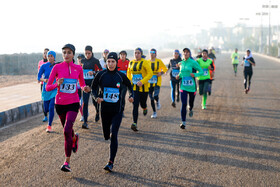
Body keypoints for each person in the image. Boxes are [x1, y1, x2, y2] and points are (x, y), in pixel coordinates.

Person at [46, 44, 90, 172]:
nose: (66, 55)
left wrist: (84, 88)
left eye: (69, 52)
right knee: (68, 131)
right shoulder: (57, 67)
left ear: (73, 54)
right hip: (60, 104)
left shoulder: (78, 68)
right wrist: (56, 84)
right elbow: (48, 87)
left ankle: (67, 162)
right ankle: (74, 138)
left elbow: (82, 84)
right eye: (64, 52)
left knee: (66, 130)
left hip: (73, 103)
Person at [91, 52, 134, 172]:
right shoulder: (101, 74)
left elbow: (130, 86)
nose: (110, 64)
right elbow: (93, 89)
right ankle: (107, 136)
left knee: (113, 134)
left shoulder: (120, 76)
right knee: (106, 136)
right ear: (106, 62)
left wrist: (131, 95)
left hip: (117, 110)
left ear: (116, 63)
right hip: (104, 110)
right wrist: (96, 98)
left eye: (113, 62)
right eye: (108, 61)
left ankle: (111, 162)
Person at [176, 48, 203, 129]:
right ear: (183, 54)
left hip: (191, 87)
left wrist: (194, 75)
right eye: (184, 52)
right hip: (183, 86)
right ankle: (183, 122)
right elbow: (181, 73)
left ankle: (190, 108)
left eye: (187, 52)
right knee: (183, 104)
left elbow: (201, 71)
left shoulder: (193, 62)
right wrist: (178, 76)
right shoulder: (181, 63)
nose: (185, 53)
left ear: (190, 54)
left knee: (191, 103)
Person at [127, 48, 153, 131]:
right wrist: (130, 80)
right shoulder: (131, 62)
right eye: (135, 53)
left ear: (141, 54)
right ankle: (134, 123)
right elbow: (129, 73)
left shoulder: (144, 62)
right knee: (135, 105)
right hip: (134, 88)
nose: (136, 54)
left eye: (138, 53)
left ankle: (145, 108)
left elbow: (150, 73)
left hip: (144, 88)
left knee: (142, 104)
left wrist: (142, 81)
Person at [81, 45, 103, 129]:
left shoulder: (95, 61)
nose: (87, 55)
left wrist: (93, 72)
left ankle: (97, 112)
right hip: (85, 85)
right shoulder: (82, 61)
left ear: (91, 52)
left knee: (95, 101)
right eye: (86, 53)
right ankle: (85, 122)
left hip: (94, 84)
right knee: (85, 103)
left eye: (89, 53)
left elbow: (101, 71)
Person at [37, 51, 57, 132]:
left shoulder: (57, 66)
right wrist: (44, 79)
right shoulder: (44, 66)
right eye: (49, 56)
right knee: (46, 109)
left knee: (51, 107)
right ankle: (46, 114)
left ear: (54, 57)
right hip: (46, 89)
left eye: (52, 56)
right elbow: (38, 77)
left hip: (55, 89)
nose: (50, 57)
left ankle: (49, 125)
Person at [147, 48, 167, 118]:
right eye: (150, 53)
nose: (152, 54)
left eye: (153, 53)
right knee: (151, 98)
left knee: (155, 96)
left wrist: (161, 73)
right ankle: (154, 112)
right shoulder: (147, 62)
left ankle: (157, 101)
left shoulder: (159, 61)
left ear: (155, 54)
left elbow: (165, 69)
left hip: (157, 82)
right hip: (148, 83)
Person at [38, 48, 49, 122]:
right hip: (43, 84)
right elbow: (39, 73)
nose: (45, 54)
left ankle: (50, 112)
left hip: (51, 84)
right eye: (44, 53)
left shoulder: (52, 62)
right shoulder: (40, 62)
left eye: (47, 53)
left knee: (51, 100)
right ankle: (45, 116)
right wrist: (40, 79)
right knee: (43, 100)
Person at [117, 50, 130, 114]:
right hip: (118, 83)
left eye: (124, 55)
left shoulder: (128, 63)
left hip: (124, 83)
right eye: (121, 55)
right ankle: (117, 109)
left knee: (122, 97)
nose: (122, 56)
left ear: (125, 56)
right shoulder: (117, 62)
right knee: (118, 96)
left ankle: (122, 110)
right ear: (119, 56)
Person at [77, 54, 85, 121]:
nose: (80, 60)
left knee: (83, 103)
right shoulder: (75, 67)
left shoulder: (85, 67)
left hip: (84, 88)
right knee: (78, 103)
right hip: (77, 88)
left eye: (81, 58)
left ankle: (84, 114)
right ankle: (83, 115)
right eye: (78, 59)